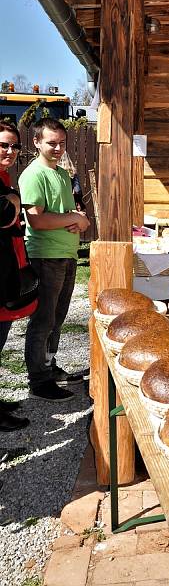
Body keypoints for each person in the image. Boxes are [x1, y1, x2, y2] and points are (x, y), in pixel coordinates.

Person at [19, 118, 90, 402]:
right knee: (43, 321)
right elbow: (36, 220)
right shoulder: (33, 174)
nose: (58, 148)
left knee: (57, 319)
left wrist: (77, 220)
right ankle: (38, 381)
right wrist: (72, 219)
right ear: (36, 142)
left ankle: (49, 366)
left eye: (62, 143)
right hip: (46, 256)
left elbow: (74, 215)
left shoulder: (61, 174)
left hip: (67, 254)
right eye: (52, 143)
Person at [0, 121, 32, 459]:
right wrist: (10, 202)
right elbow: (7, 215)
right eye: (3, 145)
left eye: (13, 146)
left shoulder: (6, 179)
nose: (9, 152)